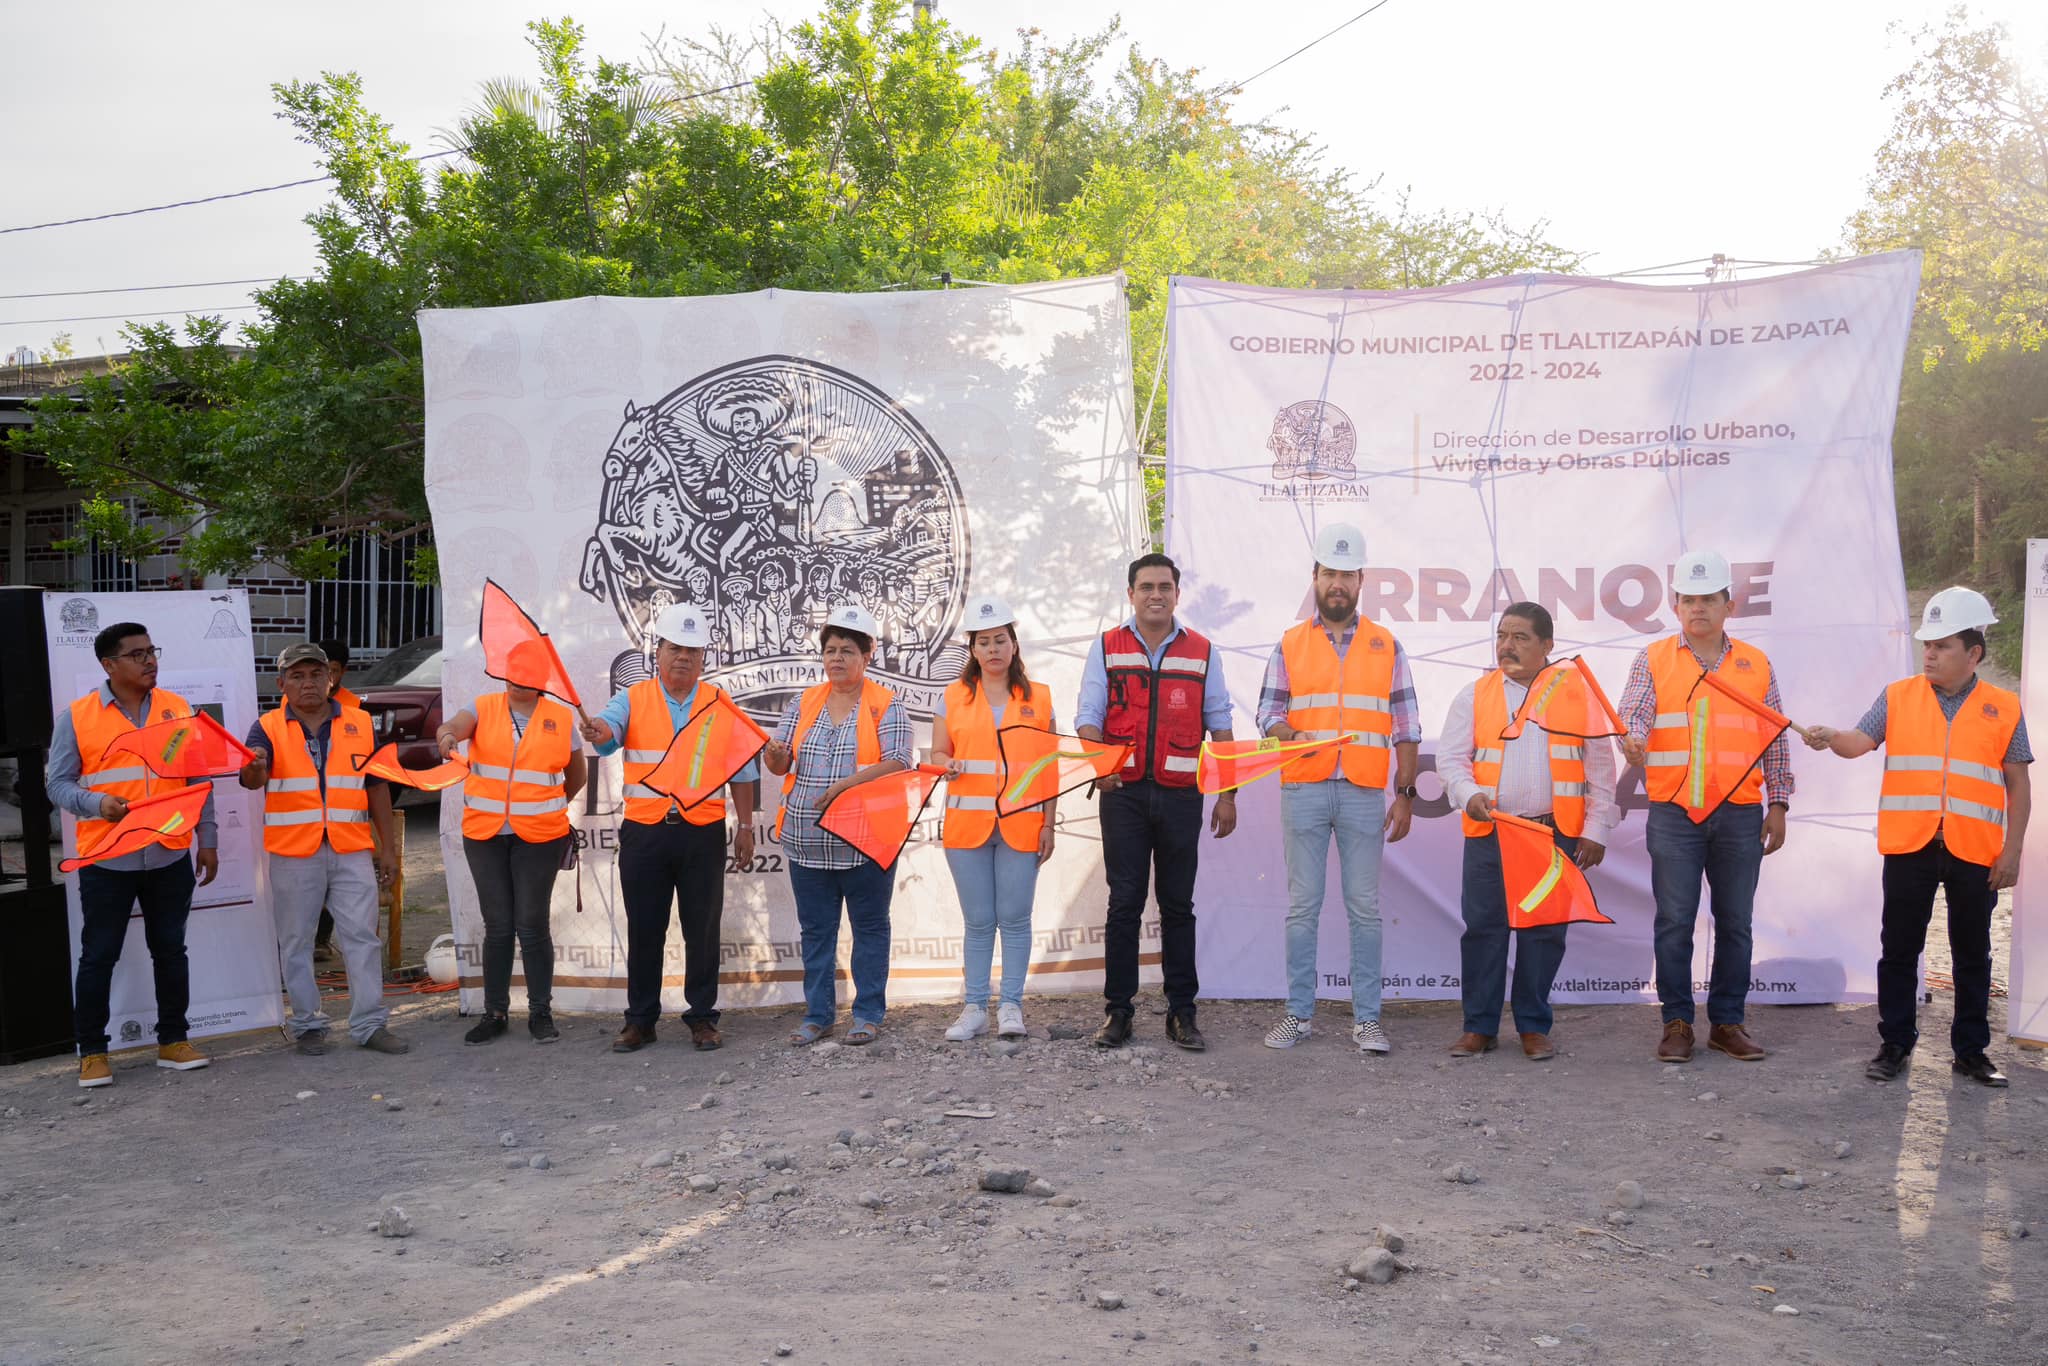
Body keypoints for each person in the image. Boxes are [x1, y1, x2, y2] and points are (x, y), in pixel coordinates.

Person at [1801, 587, 2031, 1087]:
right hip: (1911, 845)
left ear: (1974, 653)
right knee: (1899, 949)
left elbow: (2019, 784)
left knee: (1973, 954)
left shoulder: (2004, 707)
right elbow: (1858, 742)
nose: (1928, 653)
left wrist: (2012, 852)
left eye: (1942, 645)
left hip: (1975, 850)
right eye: (1926, 643)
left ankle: (1971, 1052)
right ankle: (1895, 1044)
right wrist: (1830, 736)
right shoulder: (1897, 697)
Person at [1618, 550, 1792, 1064]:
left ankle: (1727, 1023)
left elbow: (1775, 737)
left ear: (1728, 605)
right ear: (1675, 606)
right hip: (1675, 811)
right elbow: (1634, 713)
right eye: (1688, 600)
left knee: (1735, 921)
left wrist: (1777, 801)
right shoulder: (1652, 659)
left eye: (1708, 600)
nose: (1698, 609)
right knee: (1674, 920)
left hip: (1739, 811)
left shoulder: (1755, 664)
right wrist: (1632, 739)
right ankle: (1676, 1022)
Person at [1253, 524, 1419, 1055]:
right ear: (1316, 577)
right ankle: (1298, 1015)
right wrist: (1286, 732)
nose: (1338, 584)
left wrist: (1406, 793)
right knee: (1303, 907)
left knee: (1364, 909)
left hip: (1364, 791)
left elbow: (1407, 724)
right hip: (1303, 787)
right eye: (1330, 573)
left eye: (1348, 574)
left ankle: (1367, 1019)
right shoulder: (1290, 642)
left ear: (1361, 579)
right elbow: (1267, 712)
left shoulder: (1385, 643)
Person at [1437, 603, 1618, 1060]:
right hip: (1491, 833)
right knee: (1484, 930)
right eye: (1502, 636)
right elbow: (1451, 759)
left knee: (1544, 933)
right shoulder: (1474, 694)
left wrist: (1596, 827)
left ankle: (1533, 1027)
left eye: (1519, 637)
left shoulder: (1577, 697)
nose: (1507, 646)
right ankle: (1479, 1027)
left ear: (1547, 646)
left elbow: (1600, 769)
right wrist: (1466, 792)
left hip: (1551, 836)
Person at [45, 622, 218, 1088]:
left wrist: (209, 838)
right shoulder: (78, 717)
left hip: (168, 853)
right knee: (99, 955)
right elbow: (56, 783)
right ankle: (93, 1052)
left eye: (151, 651)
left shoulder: (176, 709)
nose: (149, 661)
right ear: (109, 664)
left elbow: (196, 779)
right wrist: (96, 803)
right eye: (137, 654)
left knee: (170, 950)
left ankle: (173, 1041)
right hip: (108, 858)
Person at [1076, 552, 1237, 1052]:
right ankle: (1118, 1014)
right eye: (1145, 586)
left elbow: (1222, 726)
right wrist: (1099, 764)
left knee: (1177, 908)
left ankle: (1181, 1014)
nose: (1155, 595)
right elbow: (1088, 716)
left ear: (1177, 594)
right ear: (1130, 594)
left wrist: (1228, 793)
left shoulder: (1203, 650)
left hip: (1181, 795)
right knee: (1123, 905)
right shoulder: (1106, 646)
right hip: (1121, 795)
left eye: (1164, 587)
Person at [580, 605, 758, 1053]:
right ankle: (640, 1020)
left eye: (692, 651)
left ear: (703, 659)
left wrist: (746, 826)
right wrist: (596, 729)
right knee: (645, 928)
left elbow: (743, 770)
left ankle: (702, 1018)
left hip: (701, 831)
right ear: (656, 653)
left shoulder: (719, 703)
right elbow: (606, 736)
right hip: (645, 833)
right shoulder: (633, 698)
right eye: (675, 648)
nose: (683, 657)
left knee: (702, 929)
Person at [239, 642, 406, 1055]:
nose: (308, 683)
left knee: (362, 938)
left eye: (316, 674)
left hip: (350, 848)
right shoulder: (266, 728)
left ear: (331, 679)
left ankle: (369, 1025)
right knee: (296, 941)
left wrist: (387, 849)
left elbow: (377, 787)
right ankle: (308, 1024)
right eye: (297, 676)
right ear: (281, 684)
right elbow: (251, 780)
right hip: (295, 853)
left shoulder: (360, 723)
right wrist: (254, 767)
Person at [762, 605, 913, 1047]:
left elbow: (900, 762)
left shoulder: (887, 703)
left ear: (868, 655)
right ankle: (819, 1015)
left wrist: (847, 785)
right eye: (830, 650)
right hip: (806, 843)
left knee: (869, 928)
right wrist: (773, 754)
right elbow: (780, 761)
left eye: (848, 650)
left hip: (865, 843)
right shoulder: (803, 702)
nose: (837, 659)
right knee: (816, 932)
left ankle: (867, 1014)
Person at [440, 640, 589, 1045]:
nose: (516, 684)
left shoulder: (561, 718)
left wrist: (546, 807)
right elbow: (454, 725)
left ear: (541, 680)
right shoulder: (483, 707)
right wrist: (447, 736)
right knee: (499, 926)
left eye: (525, 678)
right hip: (484, 835)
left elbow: (578, 776)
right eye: (511, 676)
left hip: (540, 837)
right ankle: (495, 1012)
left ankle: (541, 1011)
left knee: (532, 923)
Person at [933, 594, 1056, 1042]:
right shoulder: (953, 697)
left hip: (1022, 827)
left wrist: (1048, 822)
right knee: (980, 920)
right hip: (967, 827)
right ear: (972, 649)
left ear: (1014, 644)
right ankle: (974, 1009)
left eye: (1000, 640)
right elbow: (938, 750)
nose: (992, 650)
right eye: (983, 642)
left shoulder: (1039, 698)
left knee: (1015, 917)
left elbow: (1049, 767)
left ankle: (1011, 1008)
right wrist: (945, 761)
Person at [313, 638, 356, 963]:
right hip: (307, 819)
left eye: (333, 670)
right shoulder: (293, 707)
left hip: (345, 817)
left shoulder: (355, 709)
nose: (326, 677)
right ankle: (313, 940)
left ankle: (323, 938)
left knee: (337, 888)